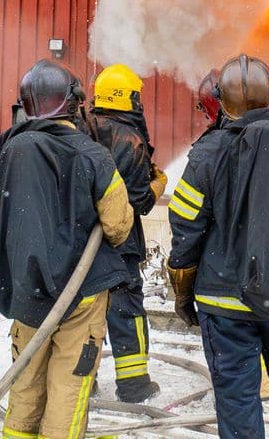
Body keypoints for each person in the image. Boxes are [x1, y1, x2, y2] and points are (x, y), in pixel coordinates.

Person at [165, 55, 269, 439]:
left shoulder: (207, 155)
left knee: (238, 399)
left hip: (224, 305)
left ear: (221, 101)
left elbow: (185, 227)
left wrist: (183, 286)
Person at [0, 60, 136, 439]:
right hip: (79, 294)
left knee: (25, 387)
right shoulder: (92, 155)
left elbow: (1, 209)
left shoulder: (9, 151)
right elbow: (118, 224)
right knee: (69, 389)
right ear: (74, 102)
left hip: (26, 291)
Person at [85, 64, 168, 403]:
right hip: (119, 242)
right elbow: (135, 202)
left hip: (79, 241)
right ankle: (134, 385)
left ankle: (80, 381)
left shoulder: (82, 127)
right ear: (127, 98)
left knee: (82, 311)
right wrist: (156, 186)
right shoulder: (131, 140)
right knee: (125, 309)